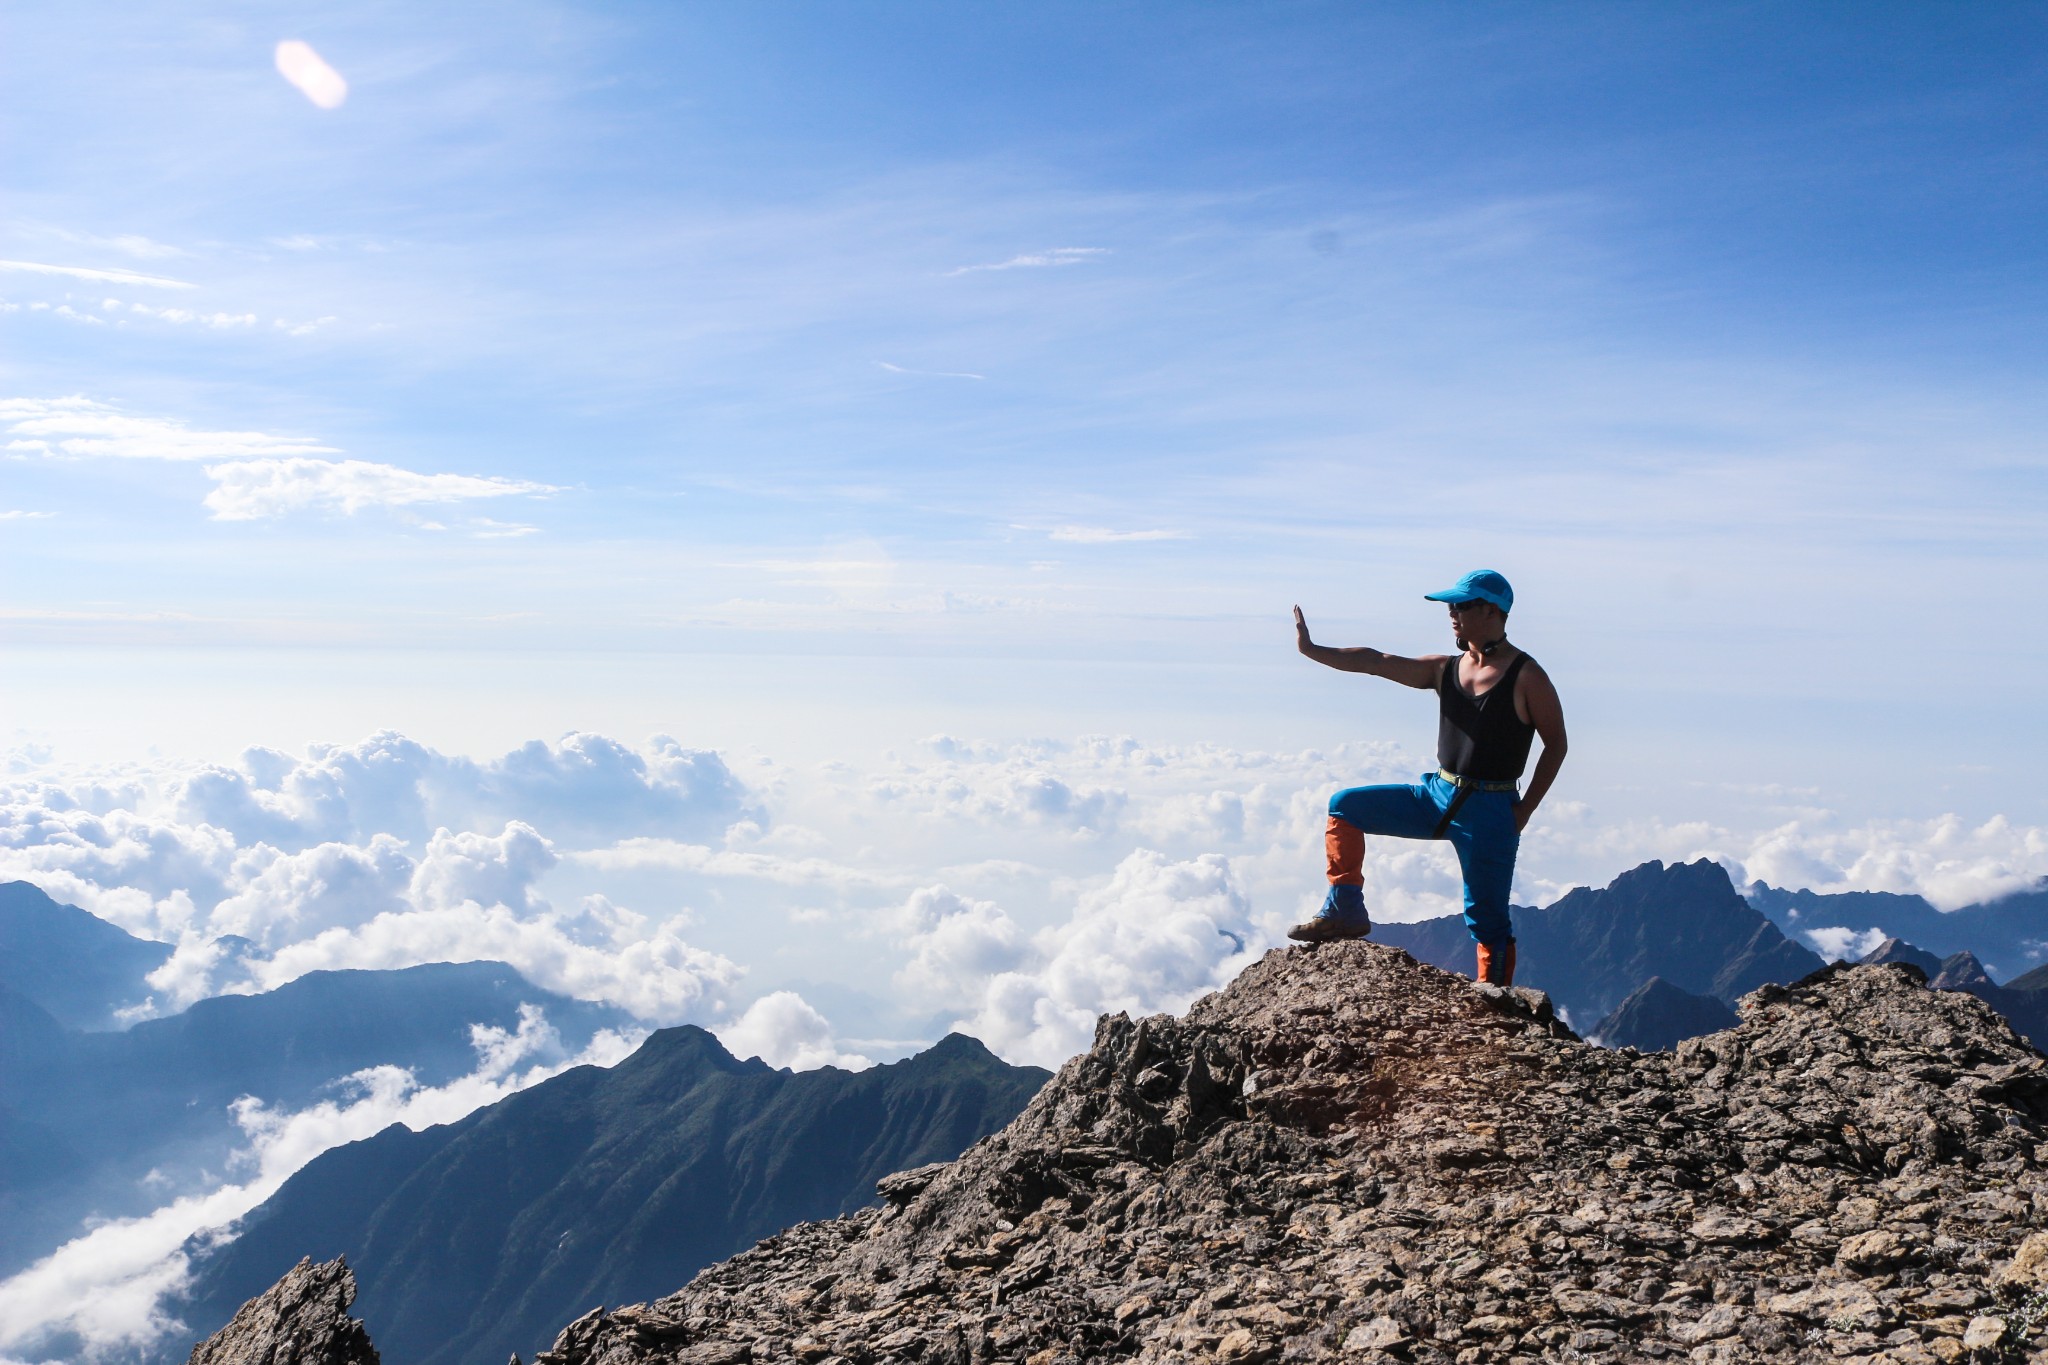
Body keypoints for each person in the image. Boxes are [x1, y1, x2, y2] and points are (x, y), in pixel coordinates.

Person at [1287, 569, 1567, 987]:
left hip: (1490, 809)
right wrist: (1313, 650)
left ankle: (1496, 998)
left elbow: (1556, 744)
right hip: (1438, 792)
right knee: (1345, 806)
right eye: (1450, 606)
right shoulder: (1445, 669)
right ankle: (1344, 911)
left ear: (1492, 611)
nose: (1452, 612)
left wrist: (1523, 811)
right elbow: (1377, 662)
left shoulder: (1527, 676)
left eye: (1462, 605)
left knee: (1487, 918)